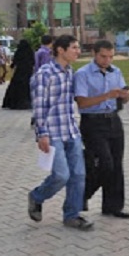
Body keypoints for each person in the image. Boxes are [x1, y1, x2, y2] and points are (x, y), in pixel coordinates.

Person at [27, 35, 93, 231]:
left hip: (71, 130)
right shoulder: (44, 74)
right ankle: (37, 196)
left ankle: (72, 215)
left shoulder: (70, 72)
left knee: (78, 175)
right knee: (61, 175)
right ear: (60, 50)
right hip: (52, 132)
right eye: (74, 48)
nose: (78, 51)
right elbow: (39, 106)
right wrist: (42, 134)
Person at [74, 40, 129, 218]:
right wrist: (107, 95)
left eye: (110, 57)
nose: (107, 60)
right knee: (104, 164)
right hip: (93, 122)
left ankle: (113, 206)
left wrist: (125, 96)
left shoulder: (116, 71)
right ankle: (81, 195)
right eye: (103, 56)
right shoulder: (82, 74)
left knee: (116, 164)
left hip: (113, 120)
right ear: (94, 53)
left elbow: (123, 98)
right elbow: (82, 102)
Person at [2, 39, 34, 110]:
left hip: (19, 72)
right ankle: (26, 103)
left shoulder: (19, 51)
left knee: (16, 87)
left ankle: (14, 103)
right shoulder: (30, 51)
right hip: (28, 71)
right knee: (26, 88)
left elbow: (15, 61)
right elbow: (33, 61)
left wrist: (12, 66)